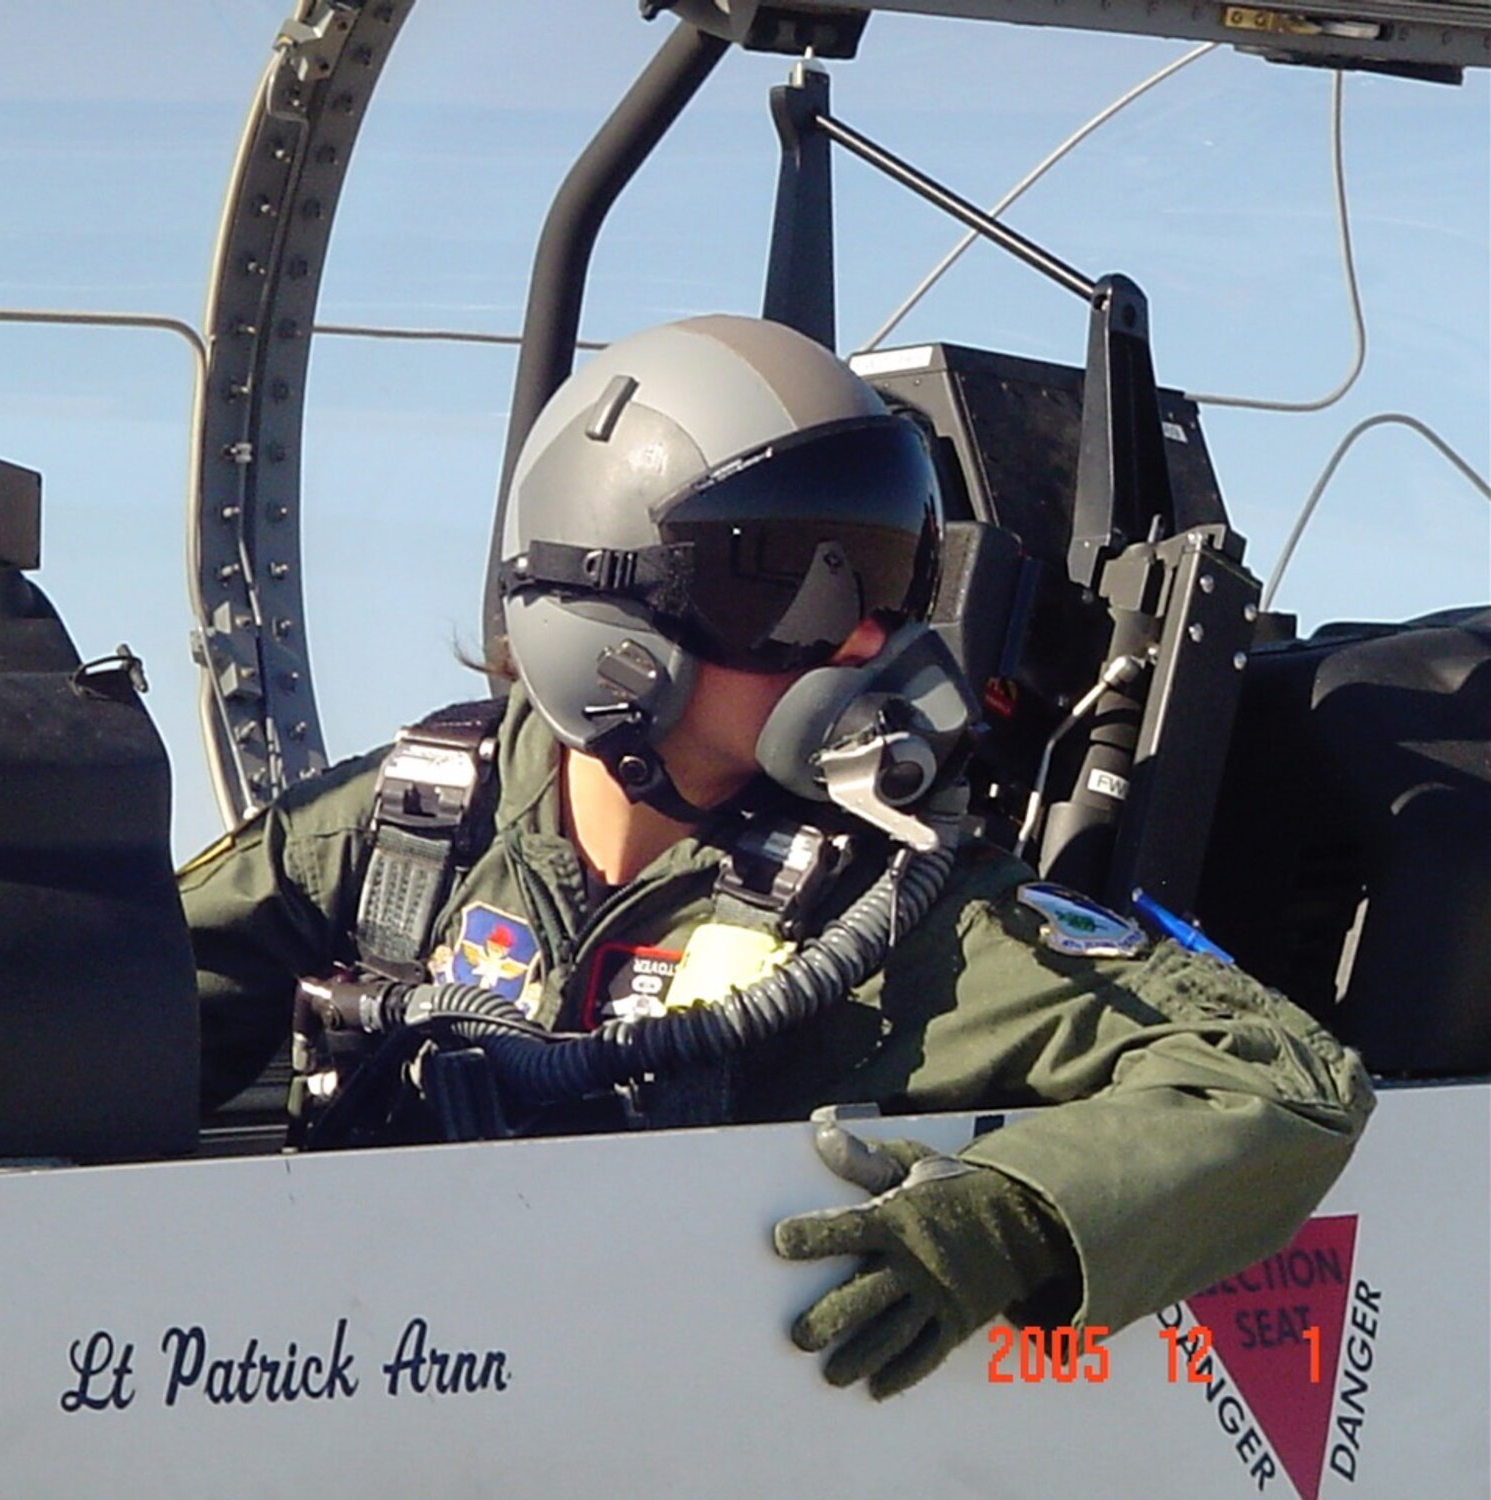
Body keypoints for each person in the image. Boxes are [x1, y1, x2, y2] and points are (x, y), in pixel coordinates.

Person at [179, 314, 1373, 1399]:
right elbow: (98, 1006)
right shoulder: (403, 837)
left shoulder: (894, 915)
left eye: (886, 576)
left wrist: (1005, 1218)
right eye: (795, 583)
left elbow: (1278, 1082)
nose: (864, 633)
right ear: (606, 607)